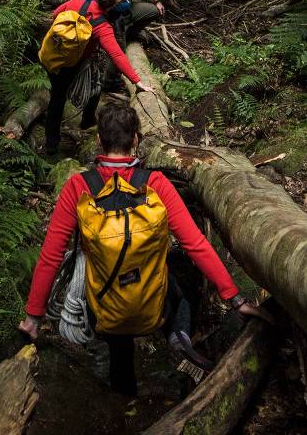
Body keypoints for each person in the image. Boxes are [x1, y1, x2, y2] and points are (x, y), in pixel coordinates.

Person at [18, 104, 265, 396]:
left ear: (99, 141)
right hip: (154, 308)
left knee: (117, 345)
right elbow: (195, 244)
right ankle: (178, 333)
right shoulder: (155, 184)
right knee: (179, 271)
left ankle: (124, 397)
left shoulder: (78, 187)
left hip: (106, 312)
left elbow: (51, 256)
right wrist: (235, 299)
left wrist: (34, 318)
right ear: (135, 140)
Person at [38, 0, 154, 159]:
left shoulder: (77, 2)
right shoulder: (102, 26)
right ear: (110, 6)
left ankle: (51, 145)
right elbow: (116, 54)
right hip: (72, 65)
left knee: (57, 99)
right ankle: (86, 121)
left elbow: (56, 14)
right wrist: (137, 81)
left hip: (51, 56)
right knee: (95, 87)